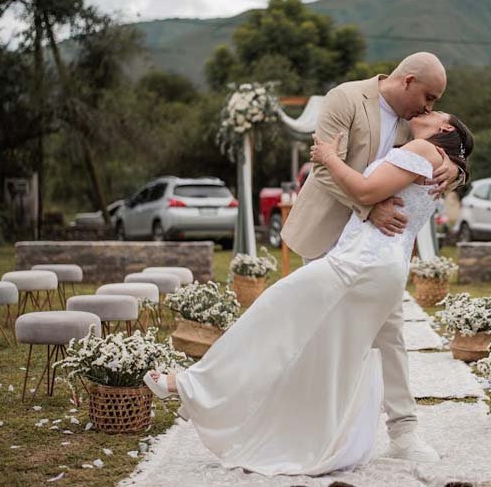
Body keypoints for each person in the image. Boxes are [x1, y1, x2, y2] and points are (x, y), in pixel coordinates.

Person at [145, 110, 473, 477]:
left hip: (359, 264)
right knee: (331, 355)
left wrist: (329, 157)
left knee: (270, 317)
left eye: (434, 109)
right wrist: (459, 169)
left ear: (444, 127)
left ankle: (191, 386)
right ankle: (325, 438)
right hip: (383, 268)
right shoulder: (443, 161)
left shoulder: (423, 150)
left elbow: (366, 191)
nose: (425, 110)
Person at [281, 52, 465, 463]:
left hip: (379, 248)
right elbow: (325, 169)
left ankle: (404, 433)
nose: (429, 107)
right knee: (314, 329)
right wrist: (370, 207)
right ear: (408, 80)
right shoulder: (345, 98)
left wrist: (457, 170)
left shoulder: (414, 120)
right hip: (330, 232)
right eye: (429, 96)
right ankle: (305, 419)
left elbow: (451, 143)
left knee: (390, 333)